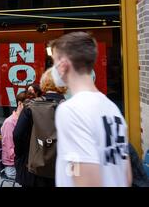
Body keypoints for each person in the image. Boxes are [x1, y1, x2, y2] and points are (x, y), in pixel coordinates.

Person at [51, 32, 132, 187]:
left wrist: (69, 169)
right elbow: (125, 174)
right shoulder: (112, 108)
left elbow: (85, 178)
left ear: (63, 65)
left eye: (54, 61)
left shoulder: (70, 110)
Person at [13, 73, 59, 187]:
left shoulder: (30, 105)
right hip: (60, 169)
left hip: (33, 166)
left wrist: (22, 156)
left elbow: (18, 135)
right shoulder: (70, 107)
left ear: (43, 86)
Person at [1, 91, 26, 179]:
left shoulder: (23, 119)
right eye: (28, 105)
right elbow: (10, 151)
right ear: (20, 104)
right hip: (12, 167)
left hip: (20, 162)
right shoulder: (9, 123)